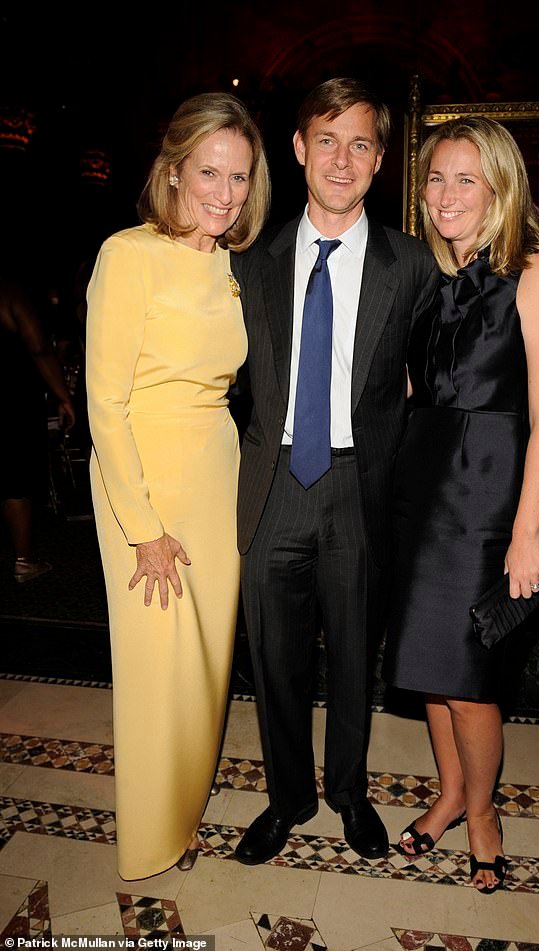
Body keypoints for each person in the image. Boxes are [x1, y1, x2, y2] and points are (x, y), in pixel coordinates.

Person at [231, 78, 439, 865]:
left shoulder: (411, 265)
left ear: (381, 159)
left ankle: (350, 792)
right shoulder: (250, 260)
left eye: (360, 144)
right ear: (298, 148)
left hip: (359, 484)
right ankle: (289, 796)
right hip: (274, 483)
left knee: (354, 654)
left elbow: (435, 376)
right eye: (327, 140)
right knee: (274, 659)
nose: (342, 160)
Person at [382, 116, 539, 892]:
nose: (446, 193)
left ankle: (484, 812)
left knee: (467, 679)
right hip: (419, 489)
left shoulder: (533, 272)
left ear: (499, 189)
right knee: (428, 667)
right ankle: (450, 793)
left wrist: (526, 531)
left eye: (466, 179)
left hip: (487, 499)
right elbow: (409, 389)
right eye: (436, 178)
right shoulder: (428, 275)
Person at [85, 92, 270, 880]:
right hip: (143, 481)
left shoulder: (237, 267)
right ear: (173, 171)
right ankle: (153, 834)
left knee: (204, 665)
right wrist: (142, 527)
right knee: (156, 666)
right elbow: (105, 404)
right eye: (209, 173)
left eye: (239, 176)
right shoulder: (128, 255)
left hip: (217, 476)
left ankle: (185, 808)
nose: (224, 193)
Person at [0, 271, 75, 581]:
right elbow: (39, 347)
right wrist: (63, 396)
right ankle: (23, 560)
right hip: (10, 397)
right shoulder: (10, 291)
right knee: (15, 477)